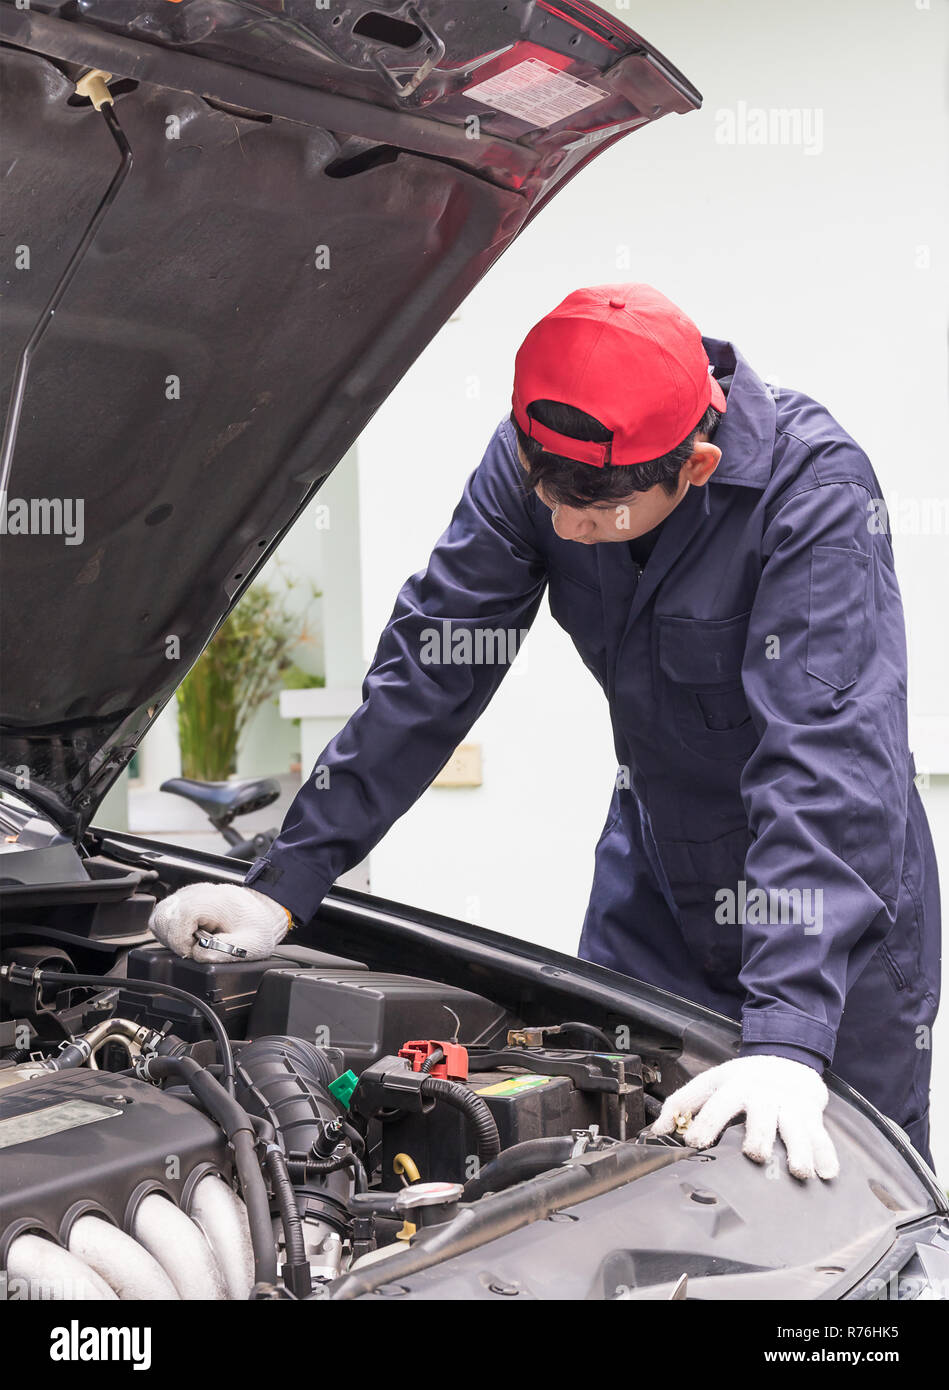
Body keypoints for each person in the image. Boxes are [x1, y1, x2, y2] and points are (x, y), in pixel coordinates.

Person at [151, 284, 940, 1177]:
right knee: (621, 1177)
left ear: (697, 466)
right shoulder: (536, 459)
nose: (565, 527)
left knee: (825, 1204)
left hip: (833, 918)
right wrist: (286, 882)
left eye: (595, 515)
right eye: (547, 498)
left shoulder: (812, 490)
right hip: (656, 900)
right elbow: (431, 668)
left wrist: (790, 1036)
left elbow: (823, 757)